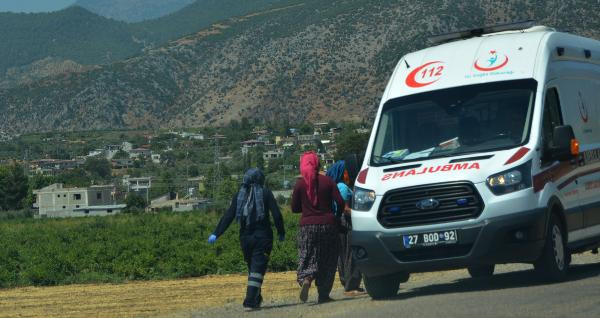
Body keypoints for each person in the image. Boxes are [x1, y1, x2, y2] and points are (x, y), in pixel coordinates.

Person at [207, 168, 285, 311]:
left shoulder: (239, 195)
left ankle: (256, 298)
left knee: (253, 269)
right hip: (263, 237)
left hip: (245, 238)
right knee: (257, 269)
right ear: (260, 179)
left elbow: (228, 216)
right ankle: (250, 301)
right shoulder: (266, 193)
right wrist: (281, 232)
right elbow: (277, 215)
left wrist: (216, 233)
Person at [292, 151, 344, 303]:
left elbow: (294, 208)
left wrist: (307, 208)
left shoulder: (300, 184)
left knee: (307, 255)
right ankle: (323, 294)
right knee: (328, 258)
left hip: (307, 226)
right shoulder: (328, 181)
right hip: (328, 224)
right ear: (318, 164)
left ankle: (307, 278)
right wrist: (336, 217)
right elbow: (340, 202)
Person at [326, 160, 365, 296]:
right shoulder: (342, 186)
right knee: (350, 254)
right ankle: (350, 285)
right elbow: (344, 208)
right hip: (345, 223)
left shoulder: (337, 185)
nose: (349, 174)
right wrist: (361, 214)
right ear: (342, 173)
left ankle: (349, 284)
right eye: (346, 172)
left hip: (340, 223)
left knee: (344, 255)